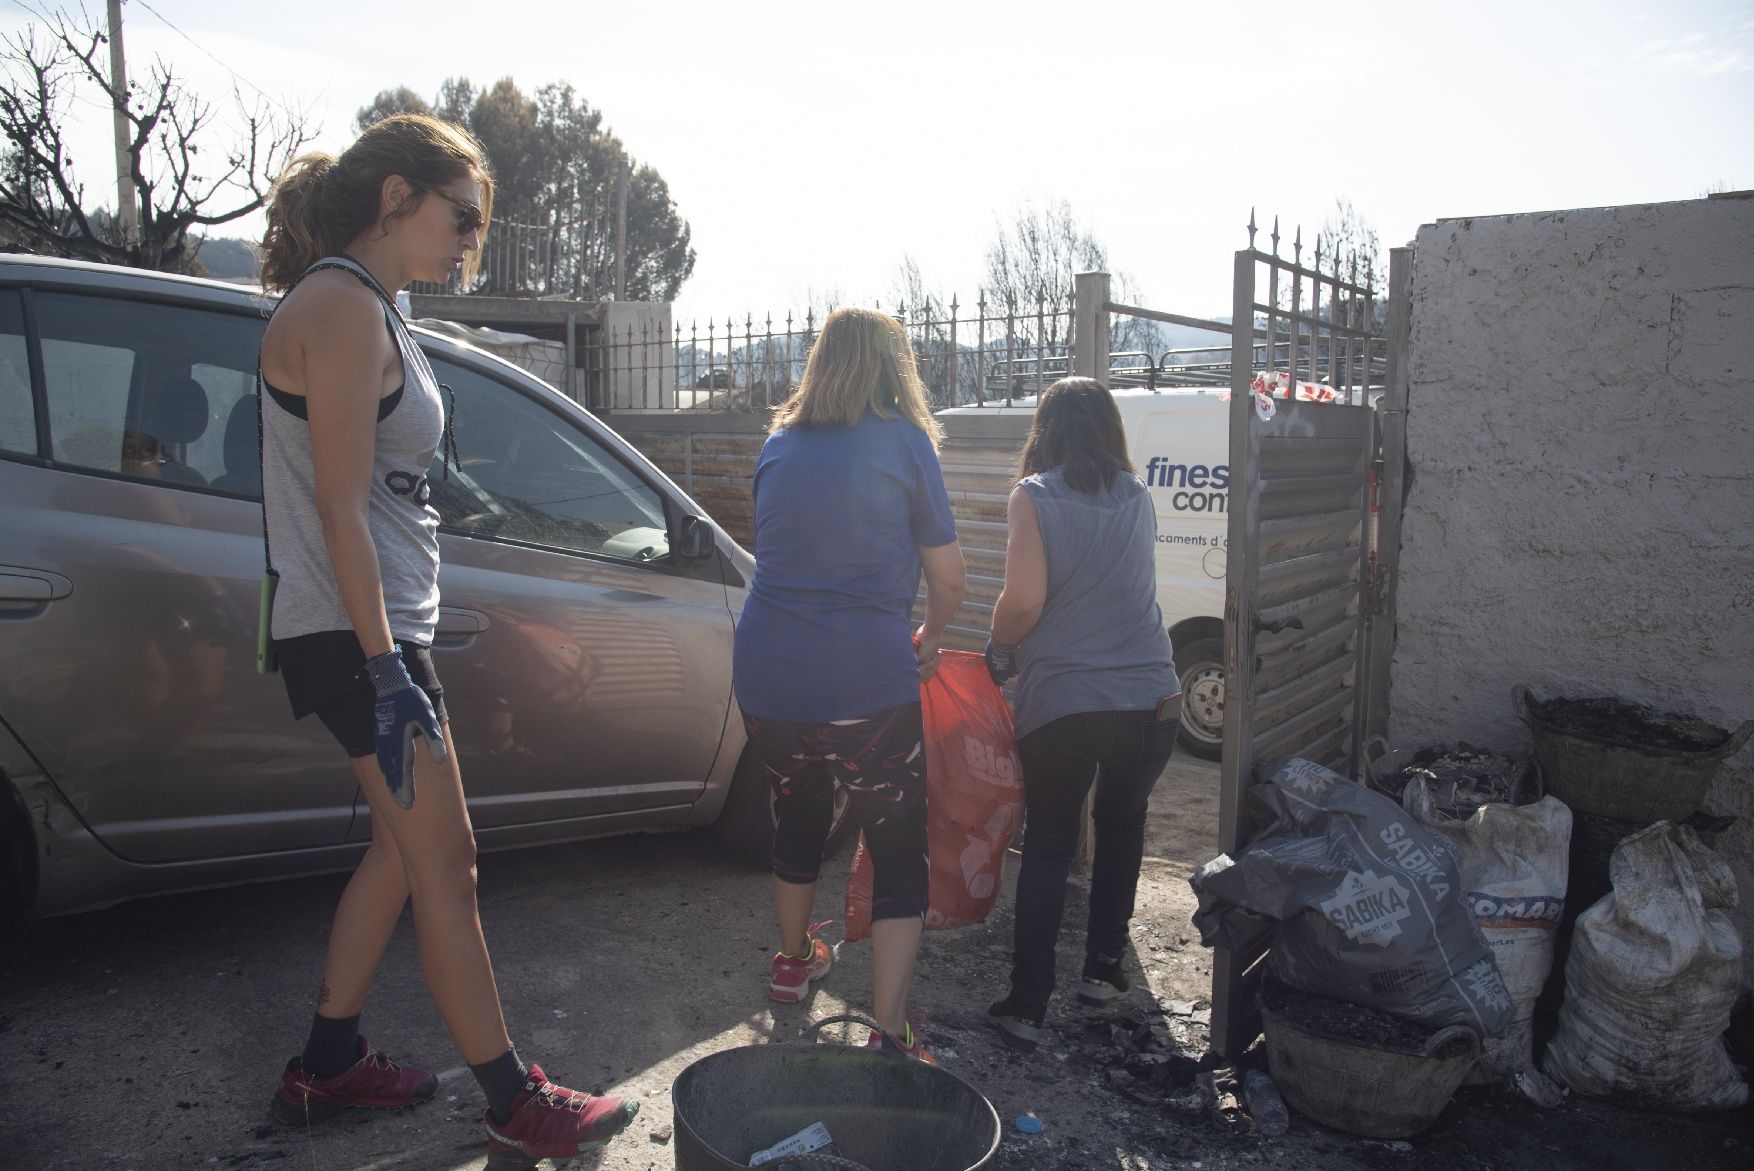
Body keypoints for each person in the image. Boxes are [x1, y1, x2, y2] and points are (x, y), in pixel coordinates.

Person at [256, 113, 638, 1165]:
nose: (471, 239)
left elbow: (383, 489)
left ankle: (326, 1064)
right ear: (394, 195)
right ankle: (515, 1101)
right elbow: (338, 509)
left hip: (369, 629)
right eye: (461, 217)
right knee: (449, 863)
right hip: (355, 637)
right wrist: (387, 671)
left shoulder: (372, 305)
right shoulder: (338, 306)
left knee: (398, 851)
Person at [732, 307, 967, 1062]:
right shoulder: (906, 442)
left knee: (798, 814)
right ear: (895, 367)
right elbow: (951, 578)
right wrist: (928, 636)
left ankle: (792, 962)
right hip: (866, 679)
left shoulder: (777, 445)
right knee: (897, 847)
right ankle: (890, 1028)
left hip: (768, 675)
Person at [982, 376, 1181, 1053]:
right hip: (1149, 697)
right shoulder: (1138, 496)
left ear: (1046, 430)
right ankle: (1102, 971)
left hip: (1065, 701)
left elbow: (1024, 602)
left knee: (1048, 841)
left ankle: (1028, 1005)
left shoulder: (1033, 497)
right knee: (1122, 825)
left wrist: (1000, 642)